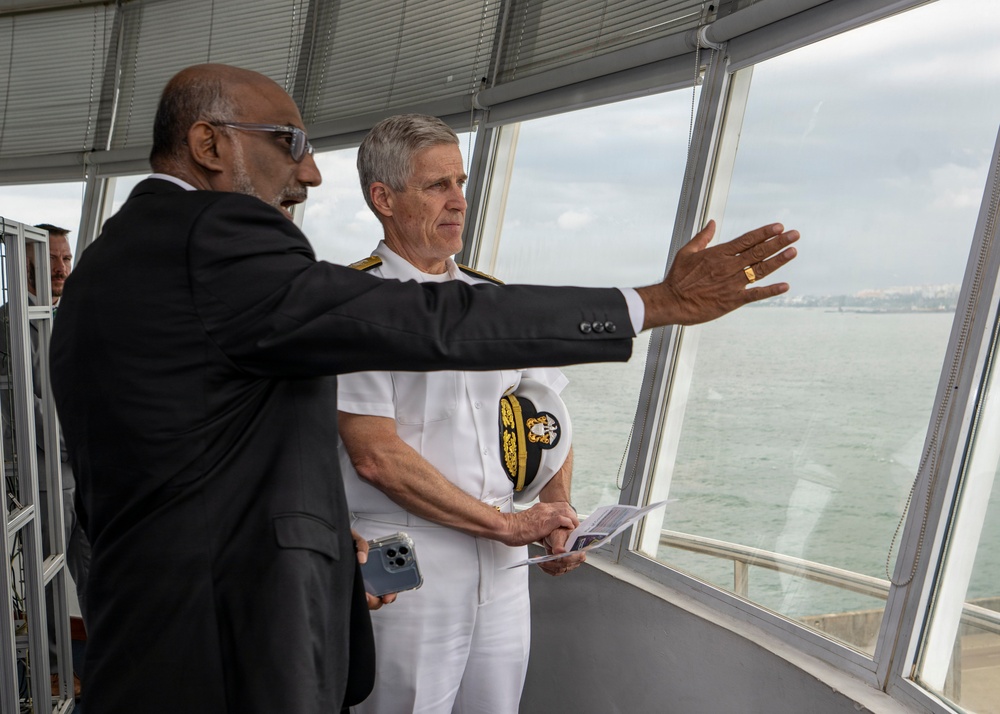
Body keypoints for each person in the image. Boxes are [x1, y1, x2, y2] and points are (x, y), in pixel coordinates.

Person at [47, 63, 798, 714]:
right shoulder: (216, 240)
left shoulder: (118, 264)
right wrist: (652, 304)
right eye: (291, 143)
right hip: (227, 634)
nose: (308, 174)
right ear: (211, 143)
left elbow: (196, 459)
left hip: (180, 611)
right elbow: (415, 356)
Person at [338, 113, 586, 714]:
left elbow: (549, 411)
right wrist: (508, 527)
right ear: (384, 199)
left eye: (462, 182)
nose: (459, 201)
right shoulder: (349, 305)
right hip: (402, 556)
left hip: (503, 562)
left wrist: (557, 512)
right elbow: (376, 455)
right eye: (437, 186)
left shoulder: (492, 299)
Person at [0, 224, 90, 699]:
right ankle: (55, 670)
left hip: (87, 474)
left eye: (66, 258)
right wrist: (78, 444)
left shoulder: (72, 317)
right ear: (26, 263)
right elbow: (27, 408)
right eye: (51, 259)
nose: (61, 269)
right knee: (48, 579)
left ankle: (116, 661)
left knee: (99, 571)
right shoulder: (7, 324)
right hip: (43, 479)